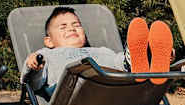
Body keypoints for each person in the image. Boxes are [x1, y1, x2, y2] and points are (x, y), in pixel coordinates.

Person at [22, 7, 174, 97]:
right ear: (49, 41)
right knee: (84, 69)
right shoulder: (46, 55)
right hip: (71, 92)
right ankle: (138, 60)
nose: (71, 28)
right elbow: (34, 84)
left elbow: (116, 63)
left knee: (119, 62)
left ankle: (147, 57)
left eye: (77, 25)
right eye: (63, 27)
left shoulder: (100, 51)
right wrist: (33, 65)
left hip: (112, 90)